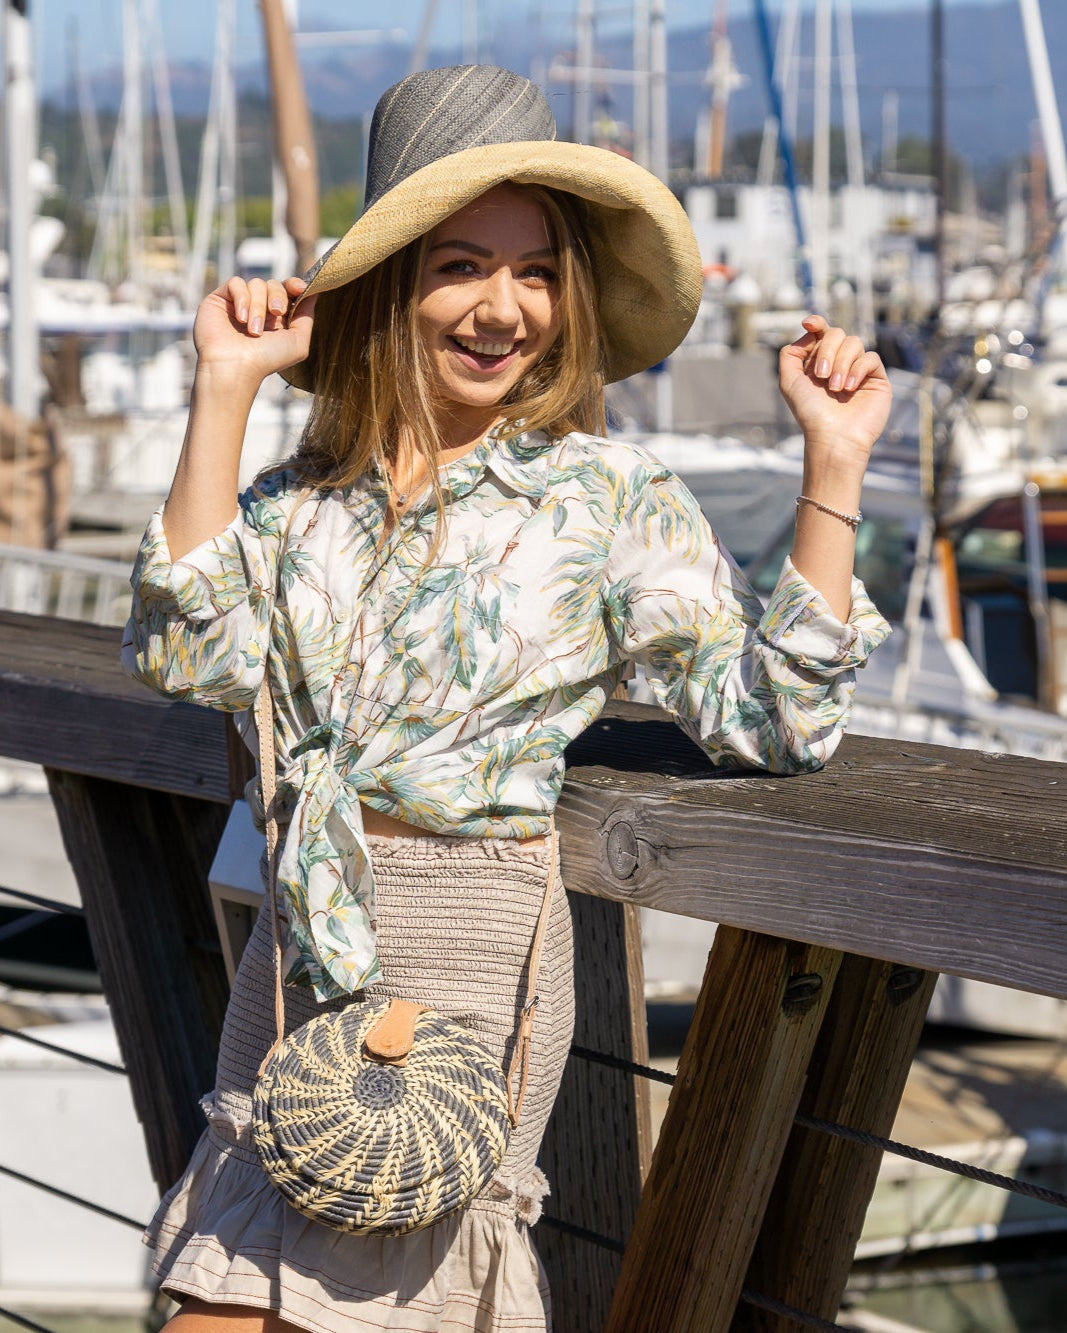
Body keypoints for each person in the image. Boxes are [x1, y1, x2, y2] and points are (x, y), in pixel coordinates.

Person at [122, 63, 890, 1333]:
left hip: (472, 951)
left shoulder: (604, 498)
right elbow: (183, 653)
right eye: (461, 266)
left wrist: (835, 466)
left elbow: (778, 718)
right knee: (222, 1293)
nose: (504, 308)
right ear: (389, 286)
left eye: (536, 271)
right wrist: (222, 386)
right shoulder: (300, 499)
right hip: (299, 946)